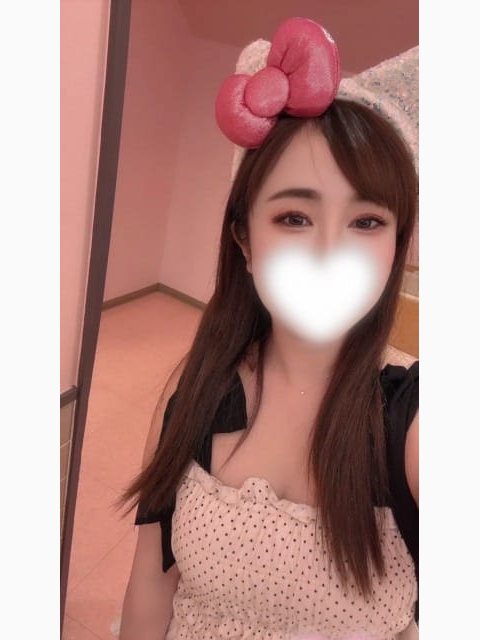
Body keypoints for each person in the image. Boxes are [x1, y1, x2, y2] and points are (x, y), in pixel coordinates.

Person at [116, 17, 419, 640]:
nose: (329, 252)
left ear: (398, 247)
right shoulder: (197, 392)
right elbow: (151, 579)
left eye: (366, 222)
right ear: (245, 242)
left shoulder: (413, 419)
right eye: (294, 217)